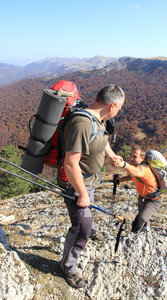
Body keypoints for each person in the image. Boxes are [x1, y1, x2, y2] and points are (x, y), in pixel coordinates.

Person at [59, 85, 125, 288]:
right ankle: (67, 267)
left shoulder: (99, 119)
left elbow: (101, 137)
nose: (118, 111)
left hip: (90, 180)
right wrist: (81, 193)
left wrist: (111, 155)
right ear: (112, 105)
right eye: (119, 108)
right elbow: (70, 163)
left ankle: (88, 224)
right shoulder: (82, 123)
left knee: (85, 214)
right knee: (81, 230)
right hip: (77, 183)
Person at [114, 145, 163, 233]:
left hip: (154, 200)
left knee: (139, 221)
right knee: (144, 220)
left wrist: (123, 164)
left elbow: (135, 172)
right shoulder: (138, 167)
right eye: (130, 155)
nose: (131, 158)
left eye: (135, 156)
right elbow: (133, 176)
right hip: (143, 197)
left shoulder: (143, 168)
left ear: (142, 158)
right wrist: (121, 179)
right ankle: (145, 234)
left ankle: (134, 238)